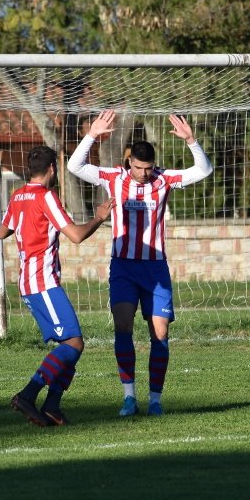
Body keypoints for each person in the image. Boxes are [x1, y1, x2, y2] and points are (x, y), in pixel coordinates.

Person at [67, 109, 213, 416]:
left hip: (155, 268)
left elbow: (203, 170)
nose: (143, 173)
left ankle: (156, 400)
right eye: (138, 167)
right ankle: (129, 397)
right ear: (128, 161)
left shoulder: (164, 179)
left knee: (160, 334)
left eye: (147, 168)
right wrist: (92, 134)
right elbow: (75, 165)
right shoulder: (112, 177)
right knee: (123, 327)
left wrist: (191, 142)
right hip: (123, 267)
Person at [0, 145, 113, 426]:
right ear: (52, 169)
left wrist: (25, 225)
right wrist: (98, 217)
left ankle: (51, 406)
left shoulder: (17, 195)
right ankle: (28, 394)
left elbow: (1, 232)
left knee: (71, 344)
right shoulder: (46, 197)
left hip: (28, 282)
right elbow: (75, 235)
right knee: (73, 342)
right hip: (43, 282)